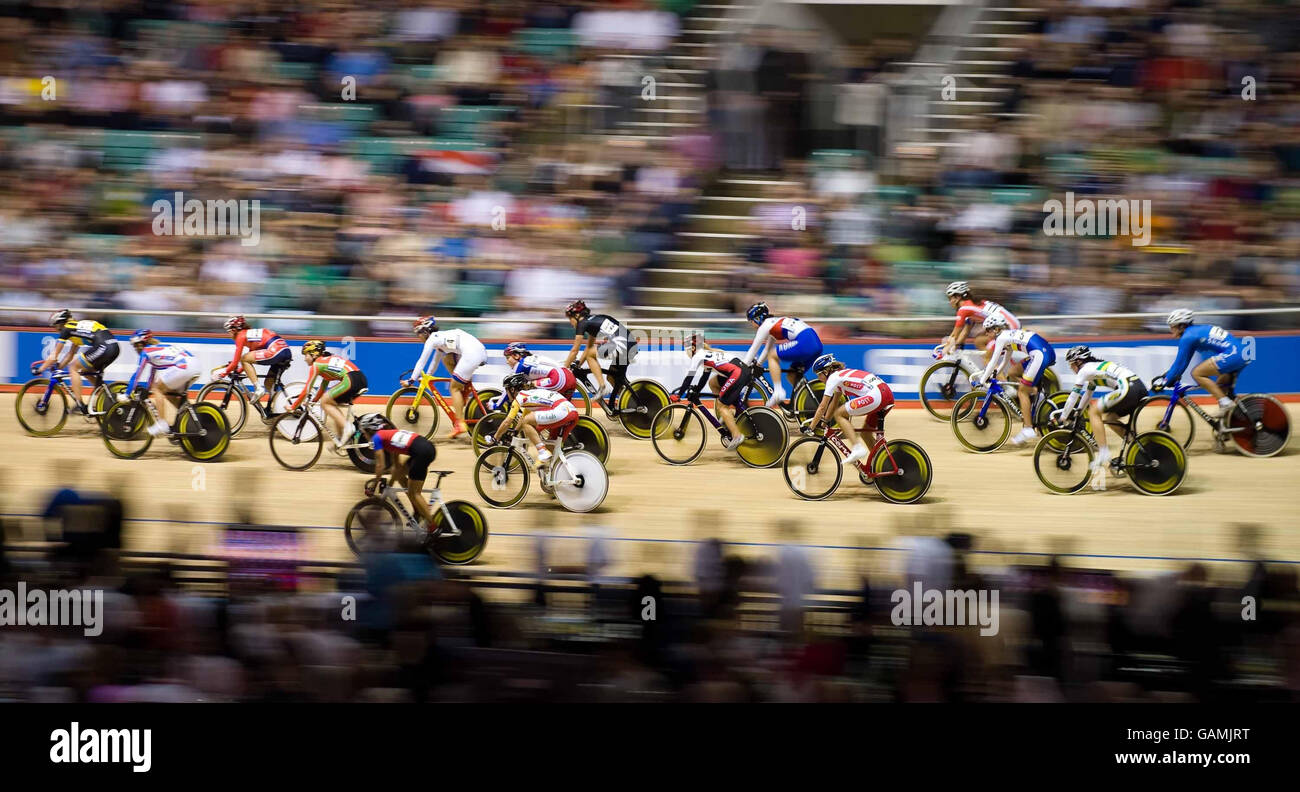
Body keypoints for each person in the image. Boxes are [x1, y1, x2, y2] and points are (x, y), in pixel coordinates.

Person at [1051, 345, 1148, 491]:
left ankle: (1103, 452)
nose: (1071, 368)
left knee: (1094, 411)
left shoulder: (1084, 370)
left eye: (1071, 364)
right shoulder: (1093, 369)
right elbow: (1087, 394)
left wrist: (1063, 417)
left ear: (1078, 361)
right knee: (1111, 418)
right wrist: (1078, 411)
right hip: (1137, 387)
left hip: (1128, 388)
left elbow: (1074, 395)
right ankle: (1138, 447)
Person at [970, 315, 1057, 446]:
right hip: (1042, 352)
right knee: (1013, 372)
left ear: (996, 329)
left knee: (1022, 392)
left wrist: (982, 381)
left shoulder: (1001, 338)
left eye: (988, 330)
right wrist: (995, 374)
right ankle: (1036, 394)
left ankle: (1028, 429)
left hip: (1040, 354)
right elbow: (1005, 361)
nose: (986, 333)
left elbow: (993, 361)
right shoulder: (1006, 336)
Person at [1153, 309, 1248, 417]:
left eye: (1172, 326)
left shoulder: (1188, 337)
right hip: (1239, 353)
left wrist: (1164, 382)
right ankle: (1229, 424)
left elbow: (1179, 364)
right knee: (1221, 389)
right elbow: (1183, 362)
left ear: (1181, 326)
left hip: (1233, 354)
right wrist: (1169, 375)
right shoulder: (1194, 332)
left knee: (1197, 373)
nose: (1171, 330)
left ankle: (1226, 404)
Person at [406, 315, 487, 439]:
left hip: (472, 353)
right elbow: (435, 361)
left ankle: (459, 424)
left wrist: (411, 379)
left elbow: (422, 360)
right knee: (447, 359)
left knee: (453, 388)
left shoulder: (433, 339)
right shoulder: (440, 339)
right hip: (476, 350)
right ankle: (464, 390)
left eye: (419, 333)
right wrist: (427, 376)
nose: (418, 337)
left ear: (425, 331)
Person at [806, 353, 894, 466]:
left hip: (877, 395)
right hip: (885, 393)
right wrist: (825, 420)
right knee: (865, 434)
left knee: (839, 414)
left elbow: (822, 406)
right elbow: (834, 402)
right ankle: (880, 465)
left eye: (818, 374)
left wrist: (810, 427)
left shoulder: (833, 378)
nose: (818, 378)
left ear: (826, 371)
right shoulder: (839, 377)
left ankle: (857, 448)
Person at [358, 413, 437, 530]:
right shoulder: (389, 435)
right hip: (425, 448)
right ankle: (418, 512)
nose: (364, 436)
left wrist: (374, 486)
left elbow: (380, 465)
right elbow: (397, 468)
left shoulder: (377, 438)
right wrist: (389, 486)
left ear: (369, 430)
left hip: (421, 453)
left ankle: (433, 527)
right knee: (401, 478)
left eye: (363, 432)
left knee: (414, 493)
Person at [485, 373, 580, 469]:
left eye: (506, 390)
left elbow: (507, 422)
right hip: (571, 412)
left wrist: (495, 437)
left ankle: (542, 451)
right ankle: (552, 477)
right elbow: (522, 419)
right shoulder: (530, 396)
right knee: (550, 453)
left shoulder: (519, 398)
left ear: (512, 389)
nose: (506, 393)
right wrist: (515, 432)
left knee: (528, 422)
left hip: (562, 411)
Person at [671, 331, 748, 450]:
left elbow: (689, 378)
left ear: (692, 348)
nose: (686, 353)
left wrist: (679, 395)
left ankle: (737, 436)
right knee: (713, 382)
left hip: (737, 373)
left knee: (722, 406)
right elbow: (704, 377)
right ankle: (730, 414)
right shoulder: (706, 353)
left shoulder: (697, 356)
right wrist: (697, 389)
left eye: (685, 349)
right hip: (740, 370)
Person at [740, 301, 823, 409]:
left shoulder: (765, 326)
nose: (752, 325)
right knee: (792, 375)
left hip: (806, 342)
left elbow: (753, 350)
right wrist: (759, 364)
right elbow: (767, 348)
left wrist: (742, 367)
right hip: (815, 343)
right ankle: (800, 405)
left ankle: (778, 391)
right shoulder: (773, 323)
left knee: (772, 355)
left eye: (751, 321)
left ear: (757, 318)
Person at [37, 309, 120, 415]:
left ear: (60, 322)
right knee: (87, 370)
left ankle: (79, 404)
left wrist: (40, 369)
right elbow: (70, 355)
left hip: (104, 346)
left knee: (73, 367)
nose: (55, 329)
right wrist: (59, 368)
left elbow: (54, 356)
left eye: (55, 326)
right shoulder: (75, 328)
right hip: (112, 346)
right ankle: (107, 397)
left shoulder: (67, 329)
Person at [287, 340, 368, 449]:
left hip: (351, 380)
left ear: (314, 354)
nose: (304, 358)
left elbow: (307, 389)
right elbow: (322, 388)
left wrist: (293, 406)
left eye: (306, 355)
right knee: (331, 404)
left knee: (325, 402)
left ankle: (347, 427)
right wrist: (313, 401)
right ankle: (341, 439)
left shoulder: (316, 365)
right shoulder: (326, 361)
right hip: (359, 378)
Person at [561, 300, 638, 414]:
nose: (571, 323)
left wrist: (564, 369)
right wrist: (577, 365)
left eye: (570, 319)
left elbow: (574, 350)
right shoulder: (592, 321)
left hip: (622, 344)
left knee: (591, 355)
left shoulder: (582, 323)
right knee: (612, 379)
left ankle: (602, 387)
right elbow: (589, 348)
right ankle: (629, 403)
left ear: (577, 315)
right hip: (629, 344)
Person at [122, 330, 200, 437]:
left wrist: (127, 394)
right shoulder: (157, 349)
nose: (135, 349)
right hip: (194, 366)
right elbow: (151, 375)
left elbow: (137, 374)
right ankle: (189, 420)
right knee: (169, 393)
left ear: (142, 343)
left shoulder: (146, 352)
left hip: (184, 366)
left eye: (136, 345)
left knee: (157, 388)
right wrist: (147, 390)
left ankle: (162, 423)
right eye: (134, 346)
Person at [213, 316, 290, 402]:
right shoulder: (250, 334)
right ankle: (279, 407)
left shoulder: (240, 336)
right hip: (284, 350)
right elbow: (247, 363)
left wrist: (222, 374)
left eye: (228, 331)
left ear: (234, 330)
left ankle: (258, 388)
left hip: (276, 350)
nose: (229, 334)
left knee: (244, 358)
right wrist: (238, 371)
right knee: (268, 384)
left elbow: (236, 362)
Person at [939, 281, 1020, 363]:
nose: (950, 302)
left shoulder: (964, 309)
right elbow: (965, 332)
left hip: (1009, 326)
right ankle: (997, 365)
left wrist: (943, 352)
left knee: (987, 360)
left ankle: (994, 368)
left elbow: (954, 335)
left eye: (950, 298)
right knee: (979, 341)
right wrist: (956, 346)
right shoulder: (970, 306)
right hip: (1009, 325)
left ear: (957, 298)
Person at [502, 341, 576, 401]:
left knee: (528, 389)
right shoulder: (532, 358)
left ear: (516, 356)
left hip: (559, 380)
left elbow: (508, 386)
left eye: (508, 358)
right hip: (570, 377)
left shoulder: (521, 365)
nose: (507, 362)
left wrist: (495, 405)